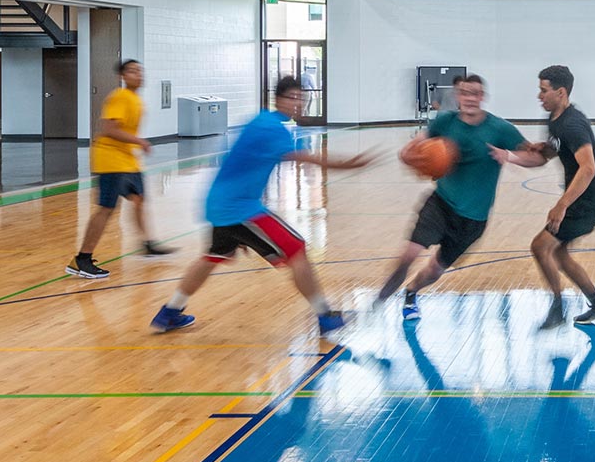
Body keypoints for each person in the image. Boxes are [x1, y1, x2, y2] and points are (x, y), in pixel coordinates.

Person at [148, 75, 372, 336]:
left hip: (222, 205)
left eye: (302, 98)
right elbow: (306, 158)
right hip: (239, 209)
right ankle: (325, 316)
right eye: (293, 98)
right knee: (296, 249)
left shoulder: (260, 121)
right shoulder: (271, 128)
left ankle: (170, 312)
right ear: (278, 99)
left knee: (212, 256)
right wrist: (349, 164)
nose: (299, 103)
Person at [376, 74, 527, 320]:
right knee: (409, 254)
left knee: (435, 270)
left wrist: (510, 156)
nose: (470, 98)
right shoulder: (444, 121)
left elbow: (534, 156)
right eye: (465, 93)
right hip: (441, 203)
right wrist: (409, 155)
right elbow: (414, 147)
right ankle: (377, 305)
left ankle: (412, 292)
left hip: (473, 219)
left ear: (483, 97)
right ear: (458, 95)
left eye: (475, 93)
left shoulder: (499, 129)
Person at [492, 65, 595, 328]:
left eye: (543, 90)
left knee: (541, 246)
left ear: (560, 92)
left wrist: (561, 205)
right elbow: (545, 156)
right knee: (558, 253)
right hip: (582, 200)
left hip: (587, 202)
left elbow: (589, 168)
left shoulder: (572, 124)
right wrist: (513, 155)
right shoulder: (556, 120)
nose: (539, 96)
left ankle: (558, 309)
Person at [68, 59, 173, 279]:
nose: (138, 74)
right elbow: (108, 129)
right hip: (110, 159)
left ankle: (148, 244)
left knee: (139, 199)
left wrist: (135, 143)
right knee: (106, 209)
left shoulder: (135, 99)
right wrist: (140, 141)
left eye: (140, 71)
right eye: (132, 71)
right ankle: (82, 259)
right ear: (122, 76)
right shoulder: (119, 97)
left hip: (127, 160)